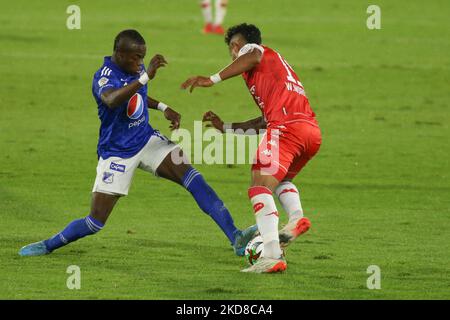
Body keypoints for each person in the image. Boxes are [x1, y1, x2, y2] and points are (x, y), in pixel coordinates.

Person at [19, 29, 257, 258]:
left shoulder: (135, 66)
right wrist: (146, 76)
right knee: (95, 222)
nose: (140, 62)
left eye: (142, 57)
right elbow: (112, 99)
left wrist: (163, 107)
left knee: (192, 176)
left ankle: (235, 237)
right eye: (136, 58)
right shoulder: (104, 77)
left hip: (146, 139)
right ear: (119, 54)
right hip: (117, 153)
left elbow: (138, 94)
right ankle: (48, 245)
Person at [181, 23, 322, 273]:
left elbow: (253, 55)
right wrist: (225, 127)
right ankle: (296, 217)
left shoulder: (255, 52)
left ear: (236, 47)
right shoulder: (273, 70)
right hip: (309, 132)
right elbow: (264, 119)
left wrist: (211, 79)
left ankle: (270, 254)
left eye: (233, 48)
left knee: (259, 184)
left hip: (287, 128)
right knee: (278, 182)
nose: (234, 53)